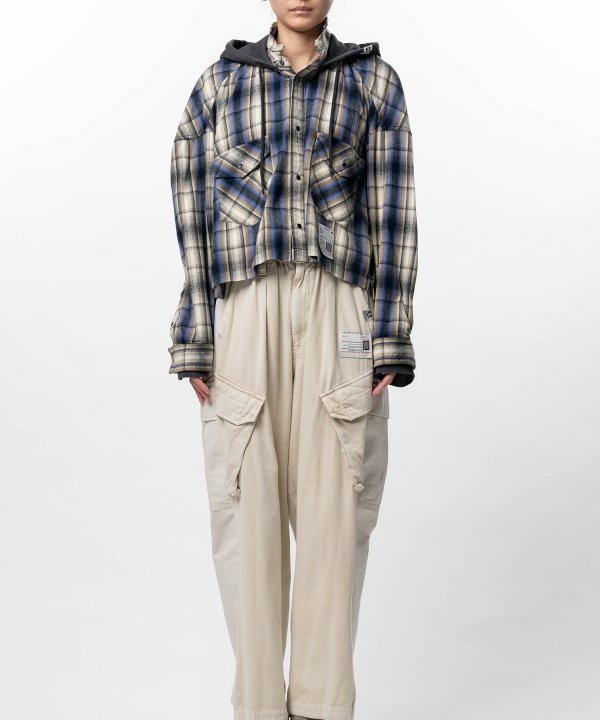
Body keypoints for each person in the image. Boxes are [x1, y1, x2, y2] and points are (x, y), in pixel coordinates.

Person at [167, 2, 418, 718]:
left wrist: (390, 330)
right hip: (246, 305)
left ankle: (322, 707)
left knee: (337, 511)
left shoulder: (372, 81)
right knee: (246, 510)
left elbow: (395, 208)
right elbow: (192, 210)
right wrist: (197, 329)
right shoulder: (219, 84)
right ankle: (256, 708)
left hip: (341, 304)